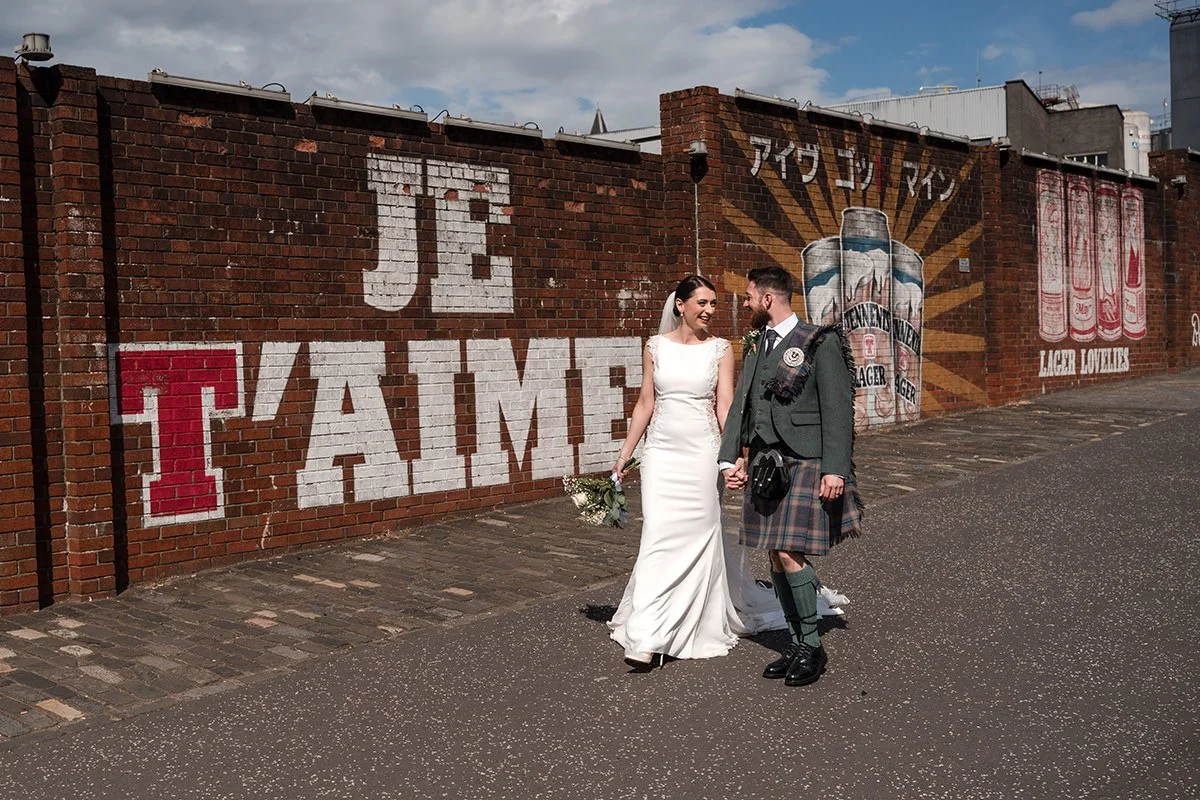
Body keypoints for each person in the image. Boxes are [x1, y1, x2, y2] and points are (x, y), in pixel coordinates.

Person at [607, 275, 787, 668]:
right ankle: (649, 634)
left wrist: (733, 456)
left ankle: (691, 620)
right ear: (680, 306)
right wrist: (625, 455)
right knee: (658, 536)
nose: (708, 311)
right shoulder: (654, 346)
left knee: (698, 536)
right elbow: (644, 403)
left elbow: (725, 406)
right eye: (701, 303)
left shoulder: (721, 350)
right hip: (661, 455)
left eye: (713, 304)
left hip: (701, 455)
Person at [719, 266, 864, 687]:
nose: (744, 303)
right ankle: (798, 641)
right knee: (773, 553)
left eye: (749, 296)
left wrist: (835, 467)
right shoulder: (756, 343)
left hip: (806, 460)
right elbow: (742, 406)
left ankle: (812, 648)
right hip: (766, 462)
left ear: (768, 299)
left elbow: (838, 409)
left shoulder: (820, 341)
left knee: (788, 553)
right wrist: (732, 458)